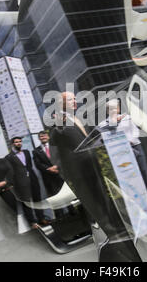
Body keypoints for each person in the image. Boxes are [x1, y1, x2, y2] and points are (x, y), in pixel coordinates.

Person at [50, 92, 128, 241]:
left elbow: (90, 137)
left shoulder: (77, 118)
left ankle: (116, 226)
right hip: (77, 170)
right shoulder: (59, 120)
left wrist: (112, 124)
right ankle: (109, 231)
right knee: (92, 200)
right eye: (71, 100)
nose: (75, 102)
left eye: (74, 99)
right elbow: (55, 140)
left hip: (91, 163)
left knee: (102, 196)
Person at [98, 99, 147, 207]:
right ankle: (140, 203)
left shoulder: (127, 118)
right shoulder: (103, 124)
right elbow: (105, 136)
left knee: (145, 173)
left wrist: (130, 140)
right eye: (111, 108)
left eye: (115, 107)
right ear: (107, 111)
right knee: (130, 178)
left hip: (135, 147)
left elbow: (135, 132)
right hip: (121, 152)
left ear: (119, 108)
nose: (114, 110)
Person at [5, 136, 47, 229]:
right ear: (12, 144)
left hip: (33, 178)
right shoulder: (9, 157)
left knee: (37, 199)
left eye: (20, 141)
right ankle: (33, 222)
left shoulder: (27, 152)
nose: (19, 143)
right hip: (21, 182)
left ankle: (42, 218)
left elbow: (29, 166)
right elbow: (10, 172)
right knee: (26, 202)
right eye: (16, 142)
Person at [33, 130, 64, 197]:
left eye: (45, 135)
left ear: (48, 137)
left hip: (61, 173)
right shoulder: (36, 151)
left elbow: (62, 156)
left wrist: (56, 166)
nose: (43, 137)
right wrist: (49, 169)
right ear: (39, 138)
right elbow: (38, 164)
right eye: (41, 136)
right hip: (49, 178)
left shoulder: (55, 146)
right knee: (57, 197)